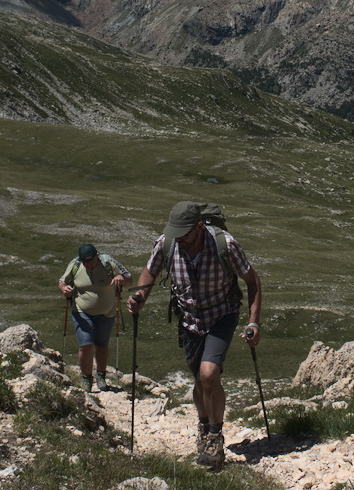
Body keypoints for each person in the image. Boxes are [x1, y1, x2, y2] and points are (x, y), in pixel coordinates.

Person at [127, 201, 262, 470]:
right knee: (200, 381)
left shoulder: (225, 244)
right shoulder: (167, 243)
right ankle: (203, 425)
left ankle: (214, 436)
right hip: (188, 319)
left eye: (185, 235)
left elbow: (252, 281)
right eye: (176, 234)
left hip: (222, 315)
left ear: (200, 227)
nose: (180, 241)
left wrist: (253, 322)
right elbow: (150, 271)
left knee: (209, 373)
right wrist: (140, 295)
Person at [59, 243, 131, 392]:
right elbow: (62, 281)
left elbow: (129, 279)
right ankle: (86, 379)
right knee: (85, 345)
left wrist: (120, 278)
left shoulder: (108, 263)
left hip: (107, 312)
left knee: (102, 346)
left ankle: (101, 376)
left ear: (97, 256)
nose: (89, 264)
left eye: (91, 260)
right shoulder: (75, 265)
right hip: (81, 311)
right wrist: (63, 289)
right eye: (85, 261)